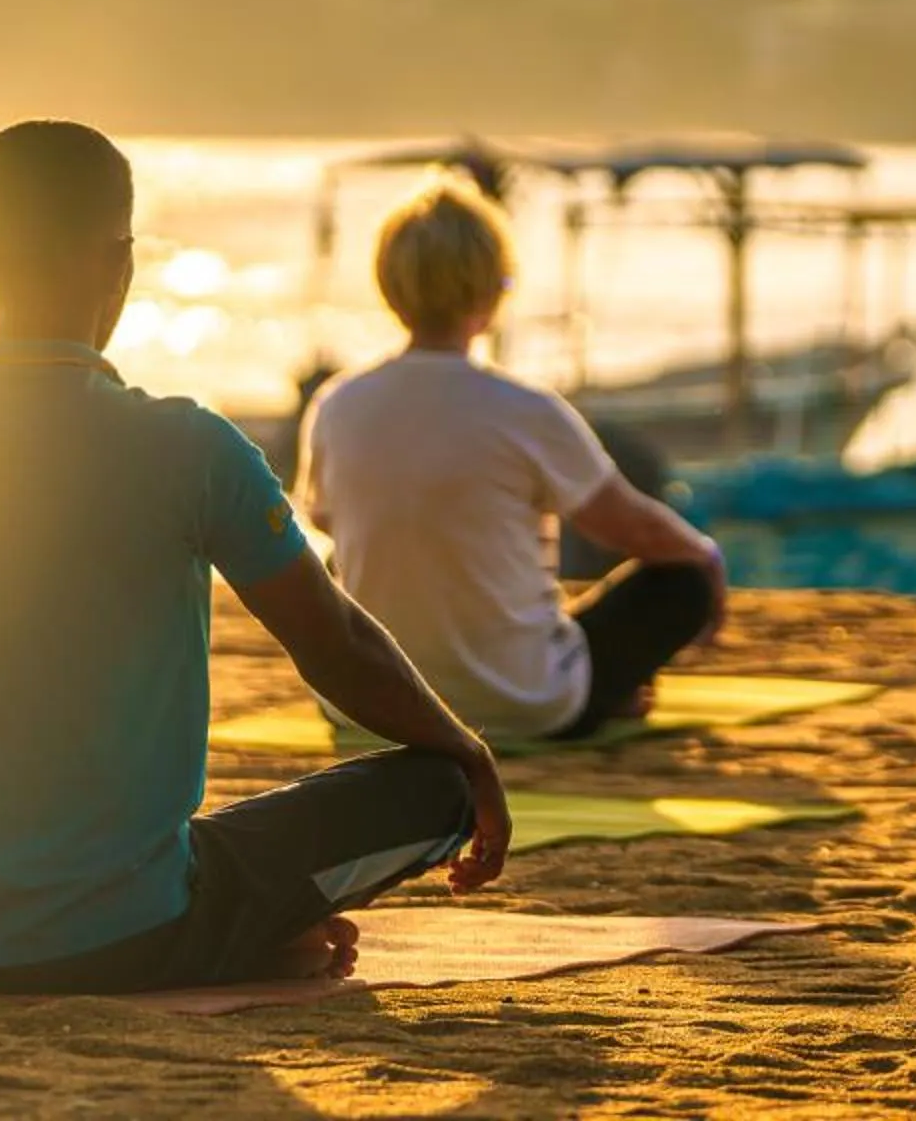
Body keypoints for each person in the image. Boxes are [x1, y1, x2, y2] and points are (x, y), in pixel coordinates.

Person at [0, 121, 511, 997]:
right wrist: (469, 752)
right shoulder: (188, 449)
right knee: (436, 788)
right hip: (129, 933)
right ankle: (252, 936)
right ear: (123, 263)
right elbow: (335, 647)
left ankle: (245, 932)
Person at [297, 176, 726, 745]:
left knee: (346, 560)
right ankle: (607, 692)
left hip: (370, 703)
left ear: (389, 287)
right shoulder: (525, 409)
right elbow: (635, 528)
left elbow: (325, 521)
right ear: (491, 294)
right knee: (683, 580)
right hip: (526, 704)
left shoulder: (337, 405)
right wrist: (707, 560)